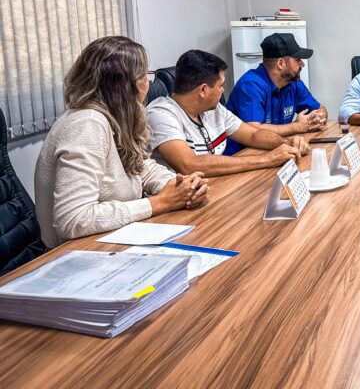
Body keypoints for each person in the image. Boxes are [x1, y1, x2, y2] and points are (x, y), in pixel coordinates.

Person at [34, 36, 209, 249]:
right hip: (82, 253)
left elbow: (140, 166)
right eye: (145, 76)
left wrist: (179, 185)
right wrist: (159, 202)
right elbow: (73, 220)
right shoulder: (87, 124)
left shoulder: (113, 118)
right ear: (129, 86)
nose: (148, 84)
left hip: (113, 242)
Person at [147, 50, 307, 177]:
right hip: (182, 201)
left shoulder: (214, 109)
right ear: (203, 90)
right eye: (220, 85)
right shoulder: (161, 114)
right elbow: (189, 165)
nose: (223, 91)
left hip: (216, 185)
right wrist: (267, 159)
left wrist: (287, 144)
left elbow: (253, 135)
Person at [225, 33, 327, 155]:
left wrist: (317, 118)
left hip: (276, 148)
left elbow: (320, 108)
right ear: (281, 63)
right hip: (242, 154)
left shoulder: (293, 83)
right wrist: (297, 126)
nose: (302, 64)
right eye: (297, 59)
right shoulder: (251, 84)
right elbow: (253, 130)